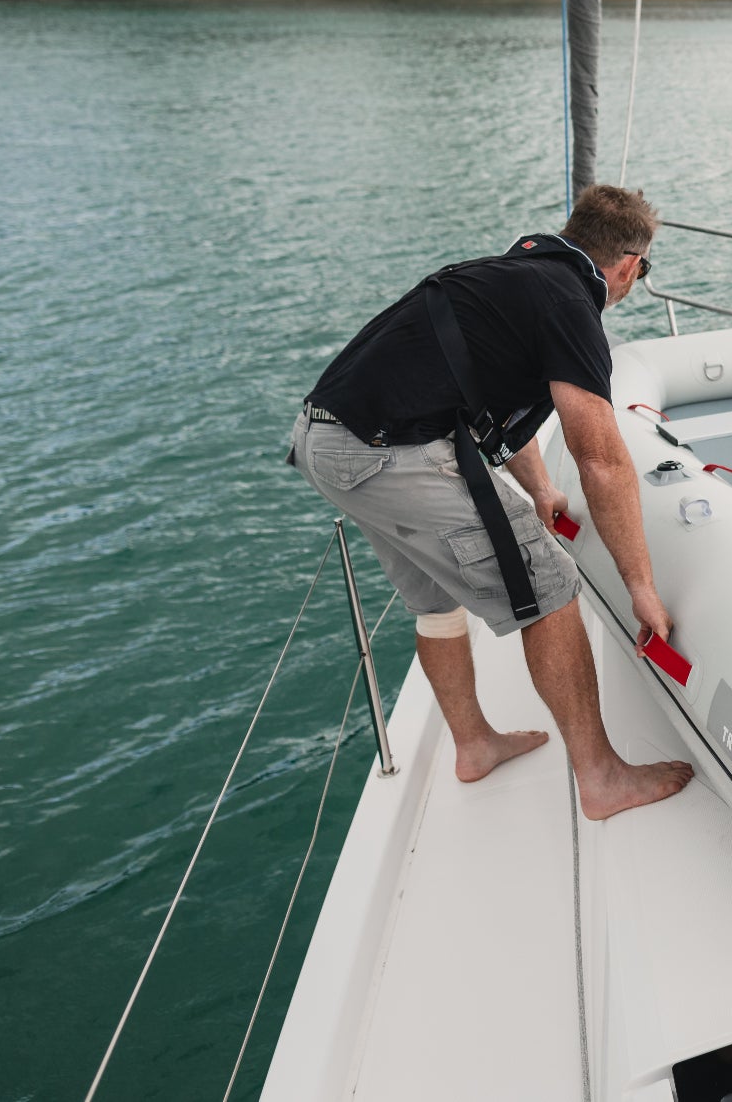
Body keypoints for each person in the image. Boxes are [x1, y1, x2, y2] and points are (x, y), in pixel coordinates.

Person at [290, 184, 692, 816]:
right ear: (628, 267)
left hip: (326, 436)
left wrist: (539, 490)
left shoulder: (517, 275)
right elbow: (602, 459)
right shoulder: (571, 304)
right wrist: (639, 582)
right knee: (550, 585)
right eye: (642, 273)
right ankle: (602, 778)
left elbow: (489, 411)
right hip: (384, 447)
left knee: (434, 595)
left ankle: (474, 746)